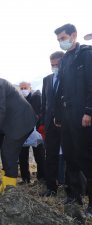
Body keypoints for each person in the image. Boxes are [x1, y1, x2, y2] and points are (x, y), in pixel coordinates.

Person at [54, 23, 92, 216]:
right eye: (59, 39)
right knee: (70, 156)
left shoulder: (86, 54)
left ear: (73, 35)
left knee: (86, 157)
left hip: (83, 115)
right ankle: (74, 195)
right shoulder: (66, 59)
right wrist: (59, 115)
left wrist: (89, 111)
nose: (62, 42)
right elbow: (62, 89)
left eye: (63, 38)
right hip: (68, 115)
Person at [40, 51, 65, 197]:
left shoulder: (68, 78)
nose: (54, 67)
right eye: (52, 65)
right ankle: (51, 187)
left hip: (65, 124)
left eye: (57, 64)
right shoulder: (47, 80)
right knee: (50, 156)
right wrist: (43, 123)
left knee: (70, 156)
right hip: (50, 125)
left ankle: (73, 190)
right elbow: (44, 104)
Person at [18, 81, 45, 184]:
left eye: (25, 88)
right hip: (22, 132)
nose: (23, 90)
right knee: (22, 157)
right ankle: (25, 179)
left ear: (30, 88)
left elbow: (40, 112)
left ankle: (42, 177)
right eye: (21, 88)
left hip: (35, 131)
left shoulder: (36, 97)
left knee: (39, 155)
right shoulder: (19, 100)